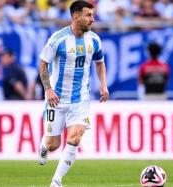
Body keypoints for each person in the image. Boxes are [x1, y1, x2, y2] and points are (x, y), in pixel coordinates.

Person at [38, 1, 109, 186]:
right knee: (53, 145)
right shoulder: (58, 38)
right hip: (56, 99)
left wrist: (103, 84)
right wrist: (48, 89)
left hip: (80, 100)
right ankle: (44, 145)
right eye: (88, 15)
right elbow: (43, 63)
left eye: (92, 15)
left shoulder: (94, 39)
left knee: (74, 138)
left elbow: (99, 62)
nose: (92, 19)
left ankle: (57, 180)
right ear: (75, 16)